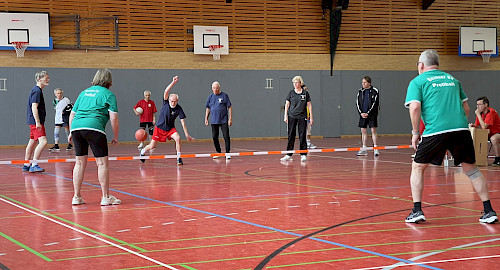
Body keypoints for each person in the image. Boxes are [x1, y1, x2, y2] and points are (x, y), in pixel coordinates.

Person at [404, 49, 497, 224]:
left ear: (421, 65)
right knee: (472, 170)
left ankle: (417, 210)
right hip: (461, 130)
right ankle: (489, 210)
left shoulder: (417, 82)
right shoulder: (453, 80)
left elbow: (415, 107)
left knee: (418, 168)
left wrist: (415, 132)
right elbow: (467, 109)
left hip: (435, 131)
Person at [69, 68, 121, 206]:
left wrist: (70, 132)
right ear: (109, 80)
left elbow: (72, 114)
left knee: (79, 163)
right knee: (102, 163)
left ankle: (76, 196)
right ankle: (105, 197)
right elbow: (114, 117)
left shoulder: (83, 93)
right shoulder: (109, 95)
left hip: (76, 128)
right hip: (94, 127)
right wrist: (115, 135)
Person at [140, 76, 195, 165]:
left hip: (170, 129)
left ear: (177, 101)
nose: (173, 103)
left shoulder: (179, 109)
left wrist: (187, 135)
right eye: (171, 101)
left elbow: (183, 122)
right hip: (159, 128)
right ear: (168, 100)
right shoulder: (165, 103)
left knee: (178, 138)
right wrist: (173, 82)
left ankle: (179, 158)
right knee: (152, 146)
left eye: (175, 101)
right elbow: (166, 91)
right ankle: (142, 151)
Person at [280, 76, 313, 162]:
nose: (295, 84)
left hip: (302, 117)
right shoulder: (291, 93)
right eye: (294, 83)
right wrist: (285, 116)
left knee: (302, 135)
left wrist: (311, 117)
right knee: (291, 135)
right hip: (292, 116)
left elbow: (309, 105)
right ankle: (289, 154)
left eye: (296, 82)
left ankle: (303, 154)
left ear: (300, 83)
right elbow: (287, 104)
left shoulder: (305, 93)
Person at [23, 70, 50, 173]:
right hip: (35, 122)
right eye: (46, 78)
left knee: (32, 142)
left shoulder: (37, 90)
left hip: (33, 121)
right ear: (39, 79)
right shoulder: (37, 91)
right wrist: (38, 122)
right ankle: (34, 164)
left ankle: (26, 164)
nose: (48, 80)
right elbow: (34, 107)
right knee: (43, 142)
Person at [205, 81, 232, 160]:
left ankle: (227, 153)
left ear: (219, 88)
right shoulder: (210, 97)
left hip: (223, 120)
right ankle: (218, 152)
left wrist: (230, 118)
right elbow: (208, 108)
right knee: (214, 137)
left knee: (226, 136)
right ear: (212, 88)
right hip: (214, 121)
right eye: (214, 88)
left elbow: (229, 107)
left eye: (216, 88)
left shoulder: (224, 96)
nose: (215, 90)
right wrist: (206, 118)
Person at [471, 96, 500, 166]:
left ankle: (498, 159)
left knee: (493, 139)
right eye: (477, 104)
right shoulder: (481, 113)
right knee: (476, 136)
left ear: (486, 105)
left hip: (497, 133)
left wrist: (477, 114)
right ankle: (477, 159)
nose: (478, 107)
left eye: (480, 104)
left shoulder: (491, 112)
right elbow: (477, 125)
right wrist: (472, 126)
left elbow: (484, 127)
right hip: (487, 134)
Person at [356, 76, 380, 156]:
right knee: (363, 131)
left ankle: (376, 149)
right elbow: (357, 103)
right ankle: (364, 148)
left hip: (372, 114)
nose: (363, 84)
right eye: (362, 82)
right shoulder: (360, 91)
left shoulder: (375, 91)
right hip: (362, 115)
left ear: (369, 83)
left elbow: (375, 103)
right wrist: (361, 113)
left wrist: (368, 113)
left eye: (365, 82)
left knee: (373, 130)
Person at [302, 85, 317, 149]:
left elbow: (309, 107)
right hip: (302, 117)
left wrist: (310, 117)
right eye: (305, 89)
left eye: (307, 89)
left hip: (308, 117)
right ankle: (303, 144)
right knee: (303, 131)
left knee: (309, 130)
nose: (306, 90)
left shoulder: (308, 99)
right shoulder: (301, 98)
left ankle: (308, 143)